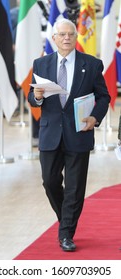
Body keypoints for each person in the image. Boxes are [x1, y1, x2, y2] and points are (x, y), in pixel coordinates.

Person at [28, 18, 111, 252]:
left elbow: (104, 96)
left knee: (75, 187)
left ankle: (66, 233)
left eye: (70, 34)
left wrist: (95, 117)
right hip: (50, 133)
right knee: (50, 181)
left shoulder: (92, 65)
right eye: (62, 34)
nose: (66, 38)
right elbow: (32, 98)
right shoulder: (41, 64)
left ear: (76, 37)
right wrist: (38, 97)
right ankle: (67, 217)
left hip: (79, 133)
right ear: (53, 38)